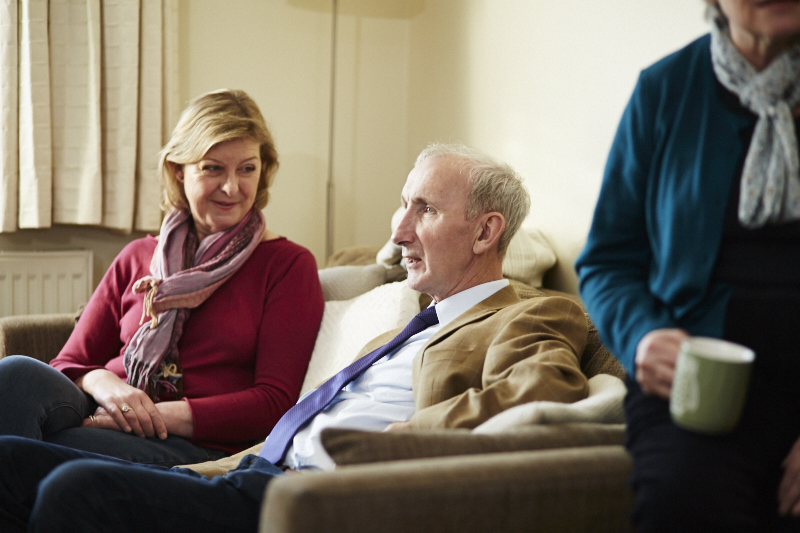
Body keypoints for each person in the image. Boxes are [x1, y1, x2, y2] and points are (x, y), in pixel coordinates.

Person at [0, 142, 589, 532]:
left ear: (486, 232)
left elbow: (542, 393)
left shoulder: (530, 315)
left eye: (424, 210)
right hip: (246, 470)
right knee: (9, 459)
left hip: (310, 494)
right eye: (402, 205)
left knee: (77, 490)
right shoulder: (407, 325)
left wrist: (399, 437)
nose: (398, 228)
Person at [0, 89, 324, 467]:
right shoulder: (138, 255)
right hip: (105, 408)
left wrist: (150, 417)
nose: (232, 187)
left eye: (247, 168)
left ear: (263, 170)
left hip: (194, 441)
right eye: (212, 167)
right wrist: (107, 386)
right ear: (178, 170)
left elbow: (273, 401)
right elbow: (69, 362)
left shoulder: (286, 265)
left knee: (40, 450)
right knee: (16, 374)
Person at [575, 1, 800, 531]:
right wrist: (642, 338)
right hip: (695, 389)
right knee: (685, 502)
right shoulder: (664, 89)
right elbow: (608, 261)